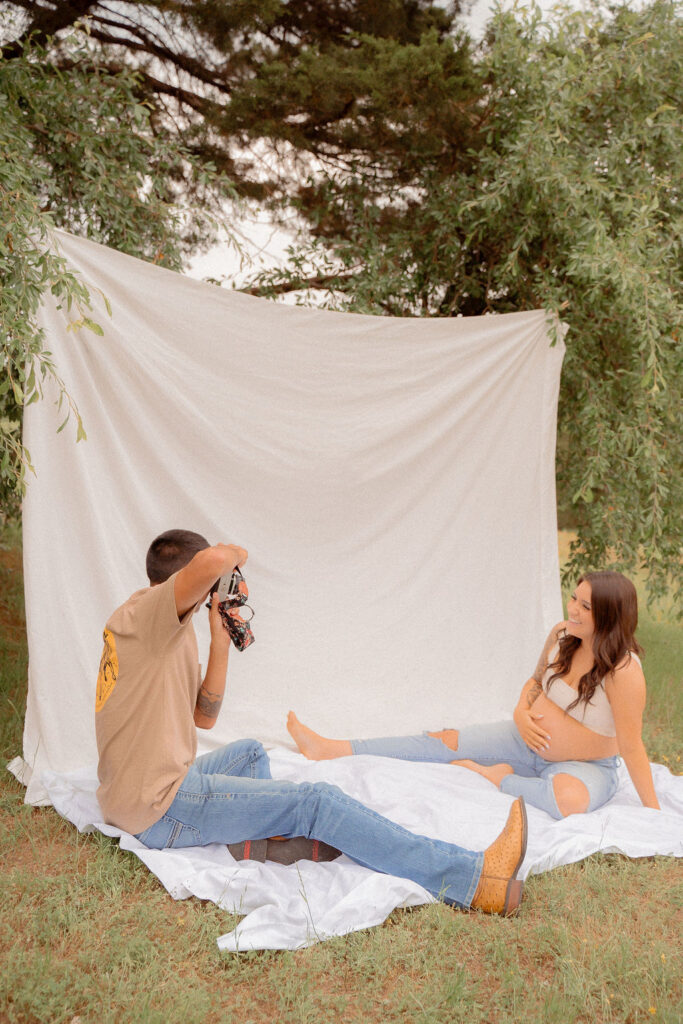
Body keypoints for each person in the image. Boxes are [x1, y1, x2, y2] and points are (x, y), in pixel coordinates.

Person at [95, 529, 529, 916]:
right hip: (159, 806)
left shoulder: (165, 628)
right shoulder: (153, 612)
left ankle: (259, 842)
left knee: (249, 753)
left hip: (134, 791)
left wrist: (220, 644)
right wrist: (230, 556)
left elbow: (202, 718)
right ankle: (474, 879)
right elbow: (214, 561)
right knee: (316, 801)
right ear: (191, 580)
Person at [287, 571, 660, 820]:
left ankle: (494, 776)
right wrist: (519, 713)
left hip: (584, 766)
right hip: (520, 740)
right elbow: (533, 682)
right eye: (574, 599)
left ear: (610, 616)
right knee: (441, 741)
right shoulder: (563, 635)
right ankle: (334, 748)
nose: (572, 609)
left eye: (584, 606)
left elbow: (631, 746)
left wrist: (654, 813)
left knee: (569, 801)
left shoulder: (623, 673)